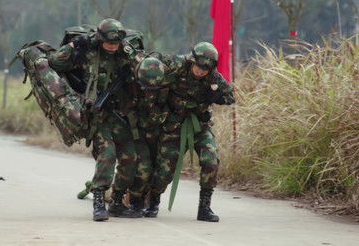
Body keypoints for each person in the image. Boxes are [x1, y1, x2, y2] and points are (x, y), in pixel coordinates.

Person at [49, 18, 139, 221]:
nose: (112, 47)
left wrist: (131, 68)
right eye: (109, 43)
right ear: (99, 38)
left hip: (118, 113)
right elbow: (55, 62)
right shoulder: (87, 50)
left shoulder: (125, 51)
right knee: (107, 153)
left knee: (131, 156)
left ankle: (116, 200)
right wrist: (74, 45)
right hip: (95, 114)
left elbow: (141, 66)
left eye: (116, 43)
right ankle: (99, 201)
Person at [148, 42, 234, 222]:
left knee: (211, 161)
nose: (201, 71)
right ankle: (153, 201)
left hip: (199, 126)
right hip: (174, 125)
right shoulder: (177, 64)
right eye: (199, 66)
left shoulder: (214, 78)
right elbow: (152, 60)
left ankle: (204, 208)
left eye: (206, 69)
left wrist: (217, 97)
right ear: (192, 60)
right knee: (164, 171)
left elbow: (230, 96)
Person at [128, 55, 170, 218]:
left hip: (160, 131)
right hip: (136, 132)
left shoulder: (168, 83)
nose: (149, 92)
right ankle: (135, 200)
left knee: (163, 170)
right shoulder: (130, 83)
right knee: (143, 168)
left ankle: (153, 200)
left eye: (154, 89)